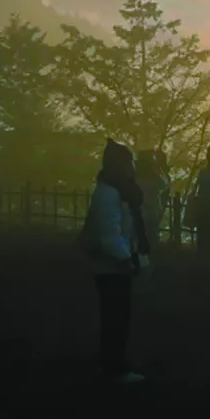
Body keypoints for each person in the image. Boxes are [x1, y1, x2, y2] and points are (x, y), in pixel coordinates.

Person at [77, 140, 151, 384]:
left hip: (114, 264)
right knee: (115, 318)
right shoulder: (109, 193)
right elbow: (110, 233)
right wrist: (125, 259)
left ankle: (114, 362)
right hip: (111, 266)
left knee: (117, 317)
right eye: (128, 161)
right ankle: (114, 368)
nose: (132, 166)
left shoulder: (116, 190)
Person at [135, 149, 170, 249]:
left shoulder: (134, 175)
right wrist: (159, 171)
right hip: (151, 211)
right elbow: (164, 184)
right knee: (151, 238)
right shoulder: (153, 176)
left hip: (136, 211)